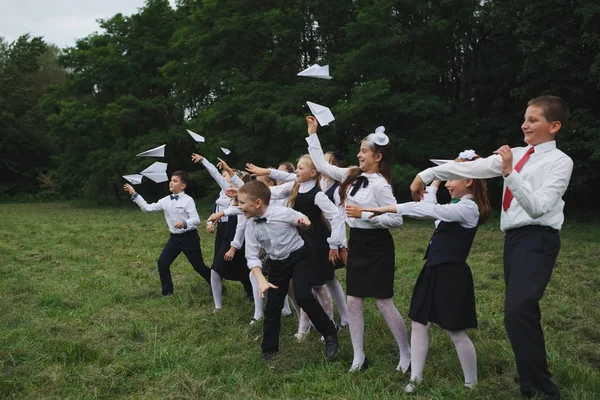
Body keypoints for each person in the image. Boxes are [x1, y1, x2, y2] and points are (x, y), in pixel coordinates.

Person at [410, 96, 573, 399]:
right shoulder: (518, 153)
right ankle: (531, 384)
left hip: (539, 239)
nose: (525, 124)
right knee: (519, 314)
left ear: (554, 126)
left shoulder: (560, 162)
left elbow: (538, 207)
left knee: (518, 310)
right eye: (525, 118)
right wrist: (427, 175)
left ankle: (544, 388)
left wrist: (510, 172)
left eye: (533, 120)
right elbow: (474, 168)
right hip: (514, 242)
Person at [363, 150, 492, 393]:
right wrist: (436, 180)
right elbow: (432, 208)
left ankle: (471, 383)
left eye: (451, 179)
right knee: (419, 323)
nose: (448, 185)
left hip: (452, 276)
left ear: (468, 180)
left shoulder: (468, 209)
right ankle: (416, 377)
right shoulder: (454, 206)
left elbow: (430, 211)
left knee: (455, 330)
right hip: (432, 270)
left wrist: (386, 209)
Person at [306, 117, 410, 373]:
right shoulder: (351, 175)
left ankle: (406, 353)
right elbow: (321, 165)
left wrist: (364, 214)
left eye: (364, 151)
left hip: (378, 246)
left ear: (378, 157)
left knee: (384, 302)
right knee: (353, 302)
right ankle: (358, 356)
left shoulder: (382, 185)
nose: (358, 154)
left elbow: (396, 219)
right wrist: (312, 134)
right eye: (360, 150)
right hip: (359, 244)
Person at [239, 180, 339, 360]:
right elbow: (252, 257)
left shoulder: (282, 213)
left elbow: (301, 219)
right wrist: (261, 280)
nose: (239, 207)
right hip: (278, 263)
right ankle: (269, 350)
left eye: (242, 203)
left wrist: (305, 222)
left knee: (303, 296)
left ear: (258, 203)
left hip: (299, 257)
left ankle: (330, 332)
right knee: (273, 305)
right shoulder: (251, 226)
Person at [123, 171, 211, 296]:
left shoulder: (188, 200)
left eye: (175, 181)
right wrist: (134, 194)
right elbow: (147, 208)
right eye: (171, 180)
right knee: (162, 263)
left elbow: (196, 220)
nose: (171, 182)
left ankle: (217, 285)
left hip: (189, 238)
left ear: (182, 186)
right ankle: (167, 293)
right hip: (174, 239)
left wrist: (184, 223)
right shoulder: (165, 200)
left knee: (198, 266)